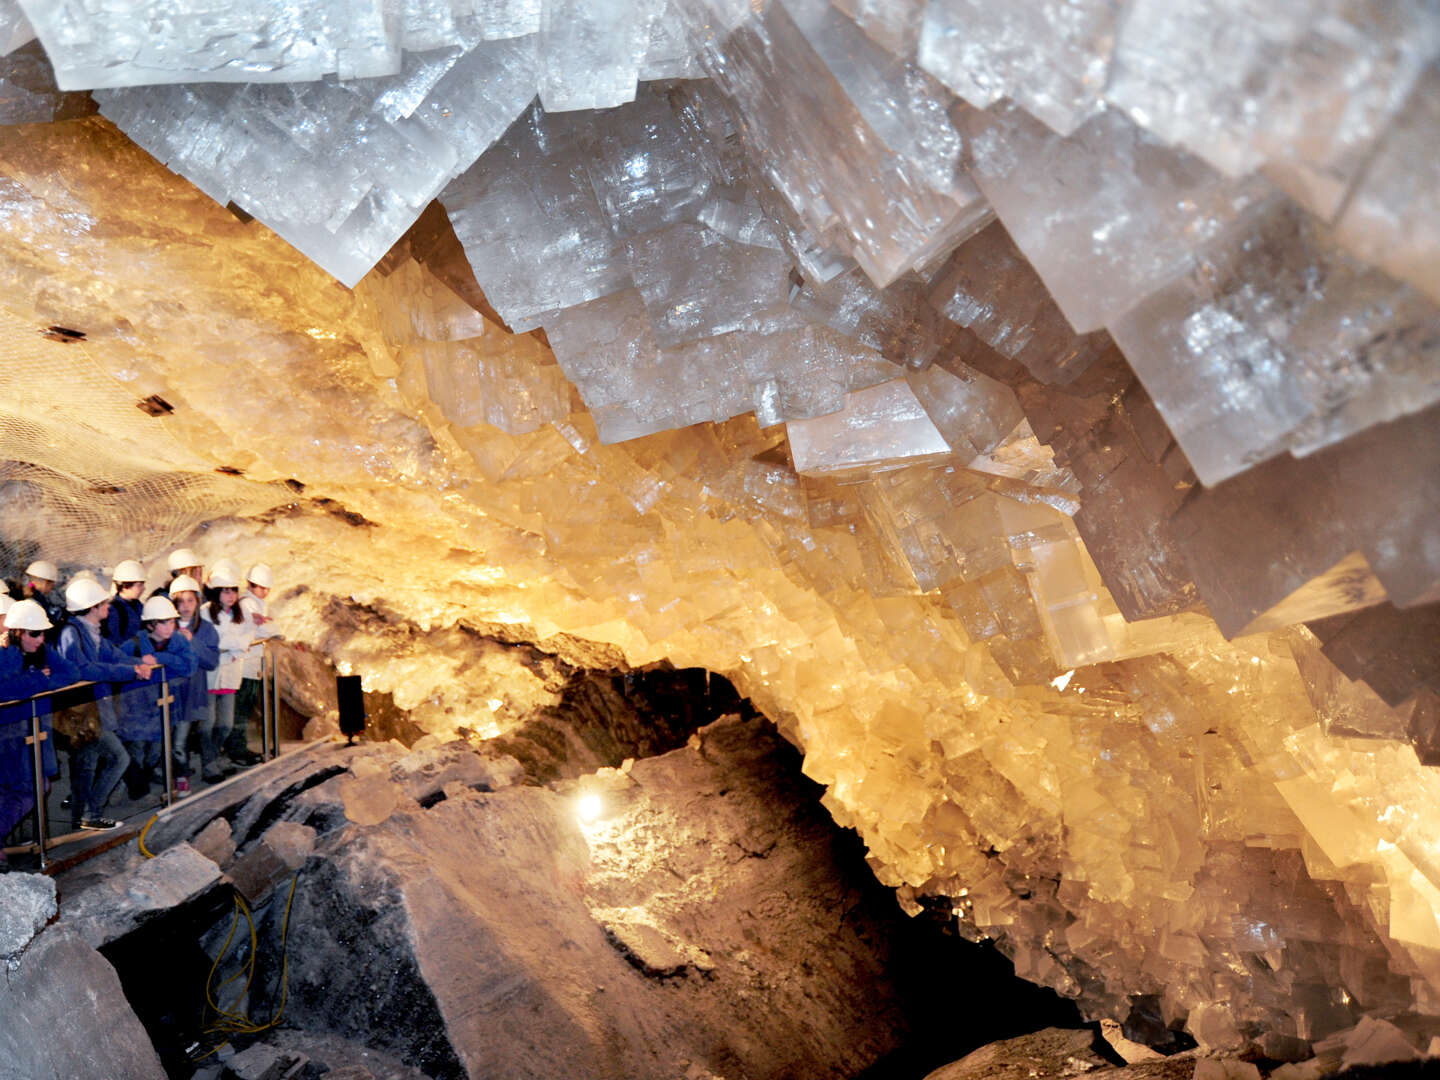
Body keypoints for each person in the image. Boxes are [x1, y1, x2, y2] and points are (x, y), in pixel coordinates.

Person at [54, 578, 155, 831]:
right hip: (81, 713)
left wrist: (139, 664)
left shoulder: (90, 630)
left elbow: (113, 655)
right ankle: (92, 812)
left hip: (93, 710)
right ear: (92, 607)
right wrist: (132, 672)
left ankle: (82, 819)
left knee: (86, 765)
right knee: (118, 758)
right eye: (103, 602)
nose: (108, 605)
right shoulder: (72, 632)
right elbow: (84, 669)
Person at [0, 599, 71, 861]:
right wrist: (39, 678)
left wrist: (40, 680)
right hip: (9, 737)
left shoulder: (39, 651)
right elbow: (4, 689)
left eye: (43, 633)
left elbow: (71, 673)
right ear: (17, 632)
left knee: (34, 786)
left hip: (24, 734)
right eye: (34, 633)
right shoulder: (5, 654)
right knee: (30, 787)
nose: (40, 639)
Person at [116, 596, 194, 799]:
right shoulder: (134, 644)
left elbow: (189, 666)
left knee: (156, 751)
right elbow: (117, 662)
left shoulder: (177, 640)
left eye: (171, 621)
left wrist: (161, 659)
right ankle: (134, 784)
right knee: (138, 750)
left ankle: (145, 778)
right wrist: (138, 661)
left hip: (164, 707)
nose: (169, 627)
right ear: (150, 624)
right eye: (163, 622)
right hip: (138, 709)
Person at [199, 567, 253, 783]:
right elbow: (214, 641)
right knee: (207, 723)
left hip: (230, 674)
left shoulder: (241, 611)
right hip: (210, 675)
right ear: (215, 592)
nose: (230, 596)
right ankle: (209, 763)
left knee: (225, 725)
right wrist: (236, 645)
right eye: (225, 591)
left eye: (233, 591)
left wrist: (234, 646)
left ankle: (216, 756)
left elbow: (248, 635)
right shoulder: (204, 611)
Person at [169, 575, 217, 797]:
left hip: (190, 692)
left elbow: (211, 661)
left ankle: (182, 777)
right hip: (167, 691)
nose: (186, 607)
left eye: (190, 601)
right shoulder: (164, 625)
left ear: (197, 601)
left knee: (180, 738)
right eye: (181, 601)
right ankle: (170, 771)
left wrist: (192, 641)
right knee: (168, 736)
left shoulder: (205, 629)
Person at [229, 563, 278, 767]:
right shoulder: (247, 603)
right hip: (244, 666)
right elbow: (262, 629)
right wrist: (273, 628)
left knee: (245, 708)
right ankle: (236, 749)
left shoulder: (256, 603)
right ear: (251, 585)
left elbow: (265, 626)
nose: (265, 591)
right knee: (241, 709)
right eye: (261, 587)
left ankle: (237, 747)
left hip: (253, 665)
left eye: (267, 588)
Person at [104, 559, 147, 643]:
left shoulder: (138, 606)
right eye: (139, 585)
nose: (144, 588)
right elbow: (113, 643)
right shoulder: (113, 611)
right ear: (126, 586)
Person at [22, 560, 64, 628]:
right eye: (52, 583)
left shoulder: (37, 597)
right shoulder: (35, 602)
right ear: (45, 583)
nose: (52, 586)